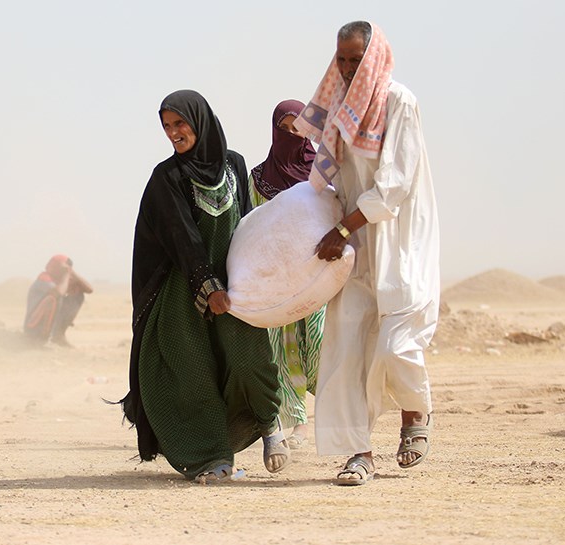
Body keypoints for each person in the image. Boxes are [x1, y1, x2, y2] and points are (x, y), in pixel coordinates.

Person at [293, 21, 439, 485]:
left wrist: (342, 227)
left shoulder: (400, 102)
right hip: (354, 246)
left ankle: (415, 415)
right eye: (342, 59)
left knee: (397, 345)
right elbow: (335, 178)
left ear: (374, 58)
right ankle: (359, 453)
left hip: (398, 240)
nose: (349, 67)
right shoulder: (340, 109)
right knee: (346, 349)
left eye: (357, 59)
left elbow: (393, 186)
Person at [119, 89, 290, 483]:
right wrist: (207, 286)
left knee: (249, 358)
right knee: (191, 372)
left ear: (200, 121)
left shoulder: (234, 165)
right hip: (184, 290)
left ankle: (269, 425)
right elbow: (182, 238)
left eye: (179, 123)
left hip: (235, 285)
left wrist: (258, 279)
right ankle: (212, 457)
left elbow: (247, 226)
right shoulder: (167, 177)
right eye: (166, 126)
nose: (173, 133)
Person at [248, 99, 324, 449]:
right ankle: (298, 423)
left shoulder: (323, 172)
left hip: (318, 275)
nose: (293, 135)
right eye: (286, 128)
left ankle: (338, 413)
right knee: (282, 348)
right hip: (277, 280)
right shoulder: (259, 178)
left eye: (299, 128)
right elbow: (250, 227)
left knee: (321, 342)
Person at [23, 255, 93, 347]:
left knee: (77, 296)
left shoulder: (60, 280)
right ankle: (42, 340)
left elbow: (89, 289)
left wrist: (72, 272)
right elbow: (58, 293)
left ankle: (58, 336)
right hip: (33, 327)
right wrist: (66, 275)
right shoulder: (44, 278)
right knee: (55, 298)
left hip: (48, 323)